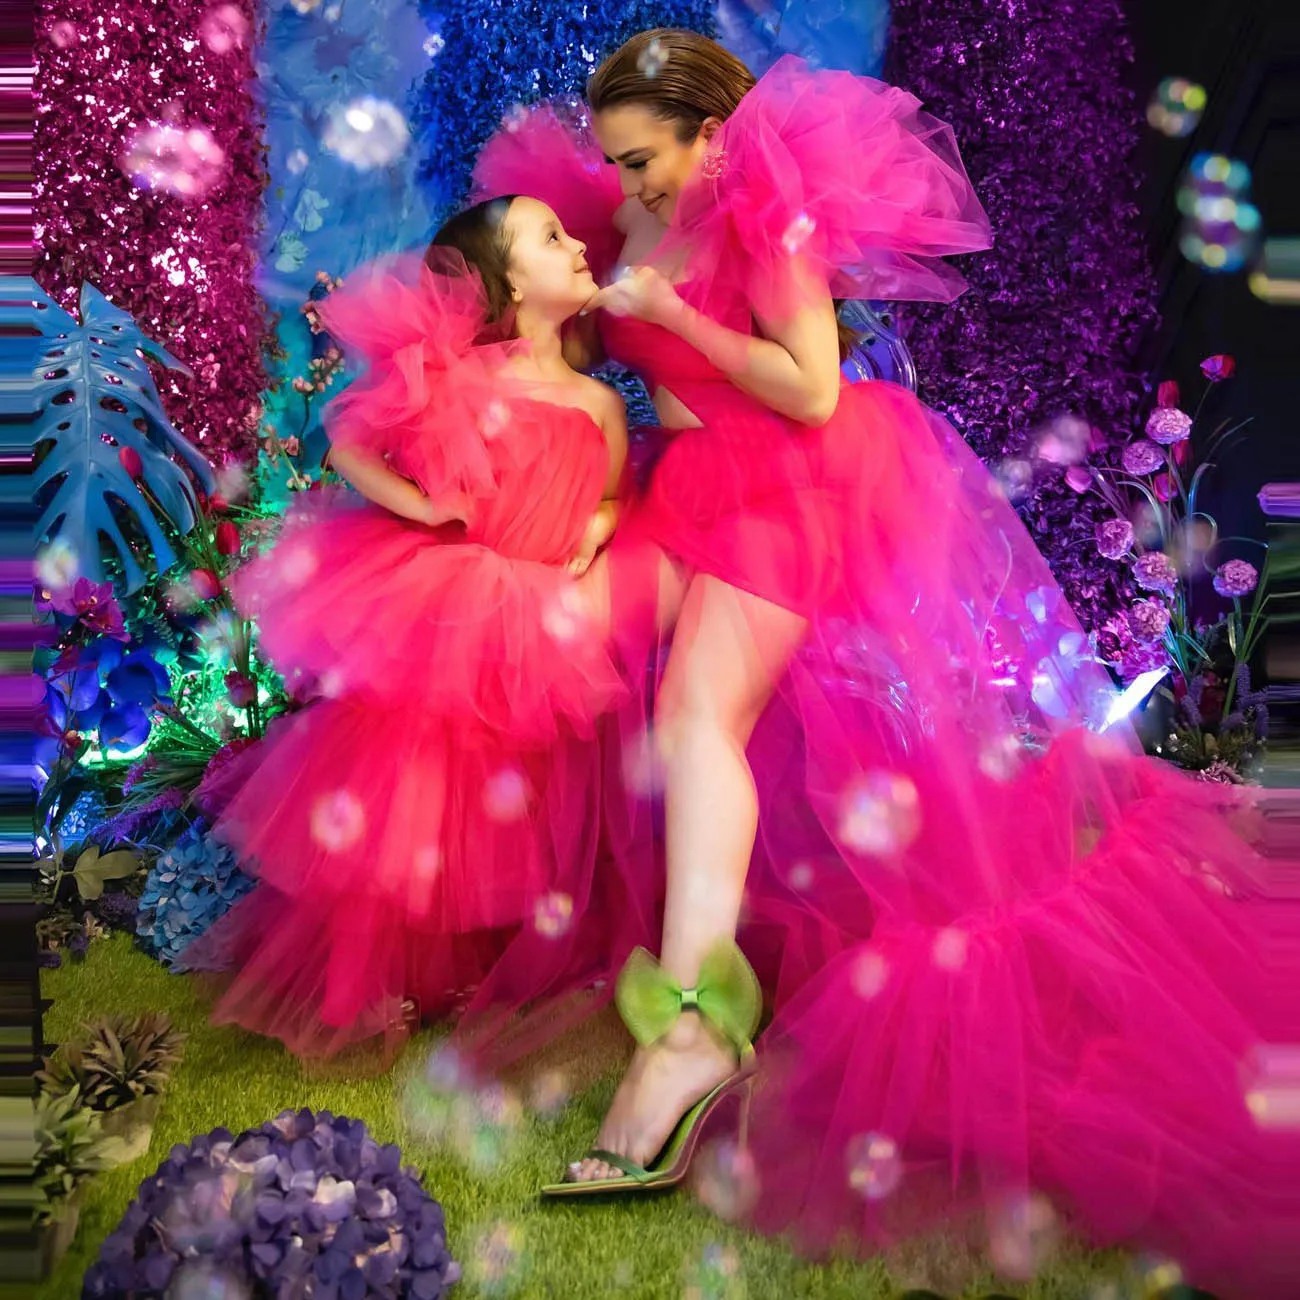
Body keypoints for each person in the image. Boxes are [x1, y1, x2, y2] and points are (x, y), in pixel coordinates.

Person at [470, 29, 1291, 1294]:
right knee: (647, 710)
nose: (627, 184)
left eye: (644, 158)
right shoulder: (629, 222)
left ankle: (692, 1031)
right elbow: (574, 323)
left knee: (697, 719)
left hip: (793, 480)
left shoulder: (763, 225)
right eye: (615, 162)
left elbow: (810, 393)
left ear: (707, 134)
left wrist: (673, 309)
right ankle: (683, 960)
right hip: (688, 490)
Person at [198, 196, 629, 1060]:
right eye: (551, 237)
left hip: (541, 613)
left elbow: (611, 491)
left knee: (517, 794)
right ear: (503, 284)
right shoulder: (463, 377)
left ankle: (488, 964)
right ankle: (382, 973)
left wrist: (600, 525)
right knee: (423, 789)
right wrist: (423, 507)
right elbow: (348, 438)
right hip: (456, 600)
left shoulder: (598, 402)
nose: (578, 242)